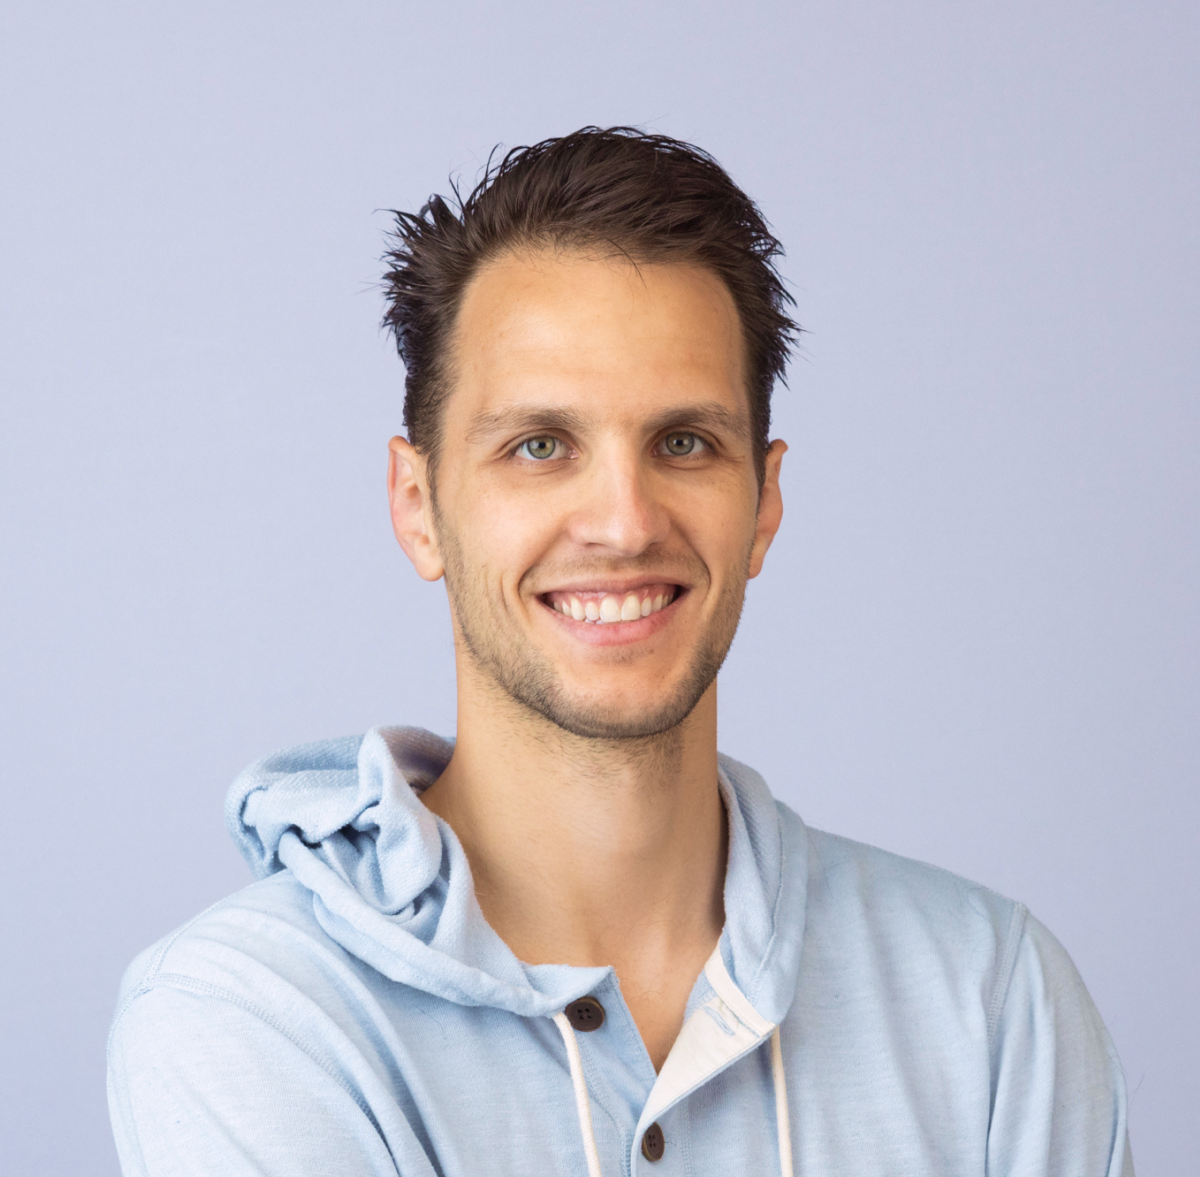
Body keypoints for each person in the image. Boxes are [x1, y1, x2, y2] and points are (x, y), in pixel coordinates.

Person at [107, 128, 1134, 1177]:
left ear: (764, 504)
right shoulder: (257, 1015)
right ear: (418, 507)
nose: (625, 523)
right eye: (539, 446)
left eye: (684, 443)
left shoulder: (991, 1000)